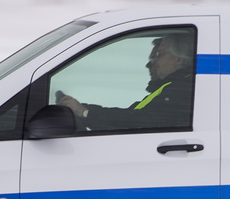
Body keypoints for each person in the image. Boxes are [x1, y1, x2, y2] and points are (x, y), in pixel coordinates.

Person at [57, 31, 195, 131]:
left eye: (159, 54)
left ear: (179, 59)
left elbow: (136, 121)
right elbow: (130, 115)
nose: (152, 63)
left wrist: (84, 112)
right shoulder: (169, 88)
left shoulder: (179, 90)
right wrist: (84, 109)